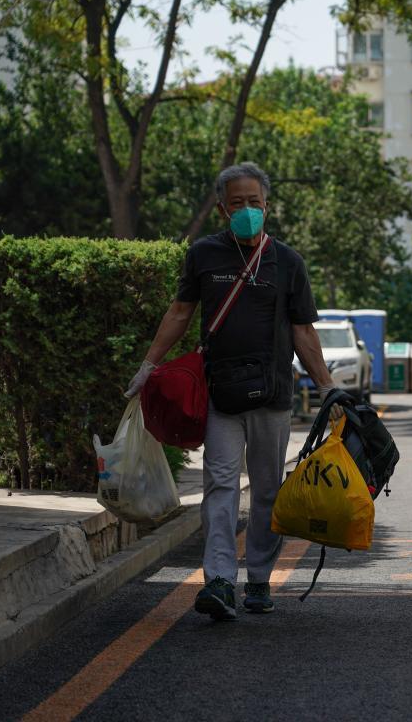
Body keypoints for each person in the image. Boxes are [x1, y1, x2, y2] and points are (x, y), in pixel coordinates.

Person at [124, 162, 341, 620]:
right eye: (237, 203)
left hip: (273, 396)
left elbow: (303, 331)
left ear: (267, 206)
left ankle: (259, 578)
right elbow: (180, 312)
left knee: (266, 491)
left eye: (254, 202)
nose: (246, 210)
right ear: (222, 209)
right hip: (220, 395)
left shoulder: (288, 262)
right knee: (220, 485)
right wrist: (148, 365)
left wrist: (327, 389)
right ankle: (219, 580)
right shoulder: (204, 254)